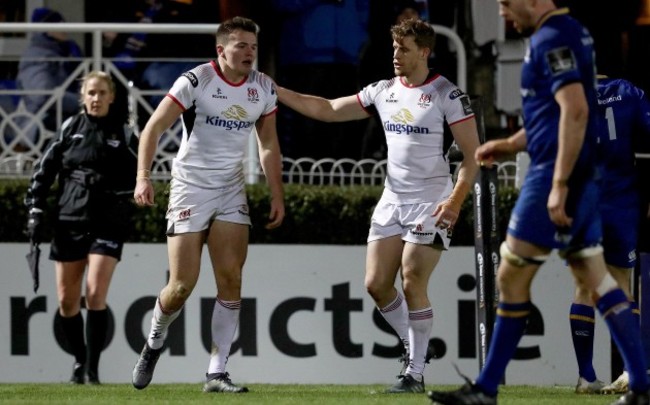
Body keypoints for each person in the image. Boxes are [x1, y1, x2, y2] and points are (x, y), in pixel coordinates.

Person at [427, 1, 650, 404]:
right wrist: (511, 144)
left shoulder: (552, 39)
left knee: (513, 275)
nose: (503, 14)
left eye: (507, 4)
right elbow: (554, 117)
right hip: (578, 179)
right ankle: (639, 384)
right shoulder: (568, 33)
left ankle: (486, 389)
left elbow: (576, 112)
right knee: (598, 281)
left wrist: (559, 183)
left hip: (553, 175)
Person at [277, 18, 480, 393]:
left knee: (412, 277)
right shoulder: (383, 91)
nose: (396, 56)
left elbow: (472, 157)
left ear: (424, 51)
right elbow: (329, 109)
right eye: (393, 49)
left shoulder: (447, 95)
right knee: (375, 284)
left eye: (404, 49)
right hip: (392, 199)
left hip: (432, 201)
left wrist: (454, 203)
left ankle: (414, 374)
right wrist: (277, 92)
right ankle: (415, 345)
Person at [130, 16, 285, 393]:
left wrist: (277, 193)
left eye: (253, 46)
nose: (249, 52)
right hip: (189, 187)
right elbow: (153, 128)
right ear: (222, 50)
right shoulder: (196, 81)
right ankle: (154, 341)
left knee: (231, 279)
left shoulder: (263, 88)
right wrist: (143, 177)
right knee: (181, 285)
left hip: (230, 188)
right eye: (241, 46)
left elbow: (268, 144)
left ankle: (217, 373)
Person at [24, 71, 138, 384]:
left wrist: (130, 196)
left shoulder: (125, 135)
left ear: (112, 96)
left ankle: (92, 369)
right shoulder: (69, 129)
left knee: (95, 293)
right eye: (91, 93)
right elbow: (43, 172)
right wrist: (34, 208)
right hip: (69, 218)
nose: (97, 98)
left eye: (102, 93)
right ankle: (79, 358)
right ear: (83, 97)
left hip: (107, 221)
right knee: (67, 300)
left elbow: (141, 173)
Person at [569, 76, 650, 395]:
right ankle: (632, 370)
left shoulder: (566, 93)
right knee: (621, 284)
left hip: (582, 201)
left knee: (583, 287)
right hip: (620, 200)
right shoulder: (629, 91)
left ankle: (586, 377)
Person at [271, 0, 370, 160]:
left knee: (344, 123)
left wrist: (358, 36)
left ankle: (340, 178)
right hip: (304, 57)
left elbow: (363, 8)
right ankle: (303, 176)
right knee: (304, 124)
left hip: (346, 56)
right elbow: (281, 4)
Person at [15, 7, 82, 150]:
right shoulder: (36, 55)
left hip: (63, 114)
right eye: (58, 23)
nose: (64, 28)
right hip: (40, 121)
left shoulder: (65, 51)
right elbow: (43, 95)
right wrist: (81, 101)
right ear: (46, 28)